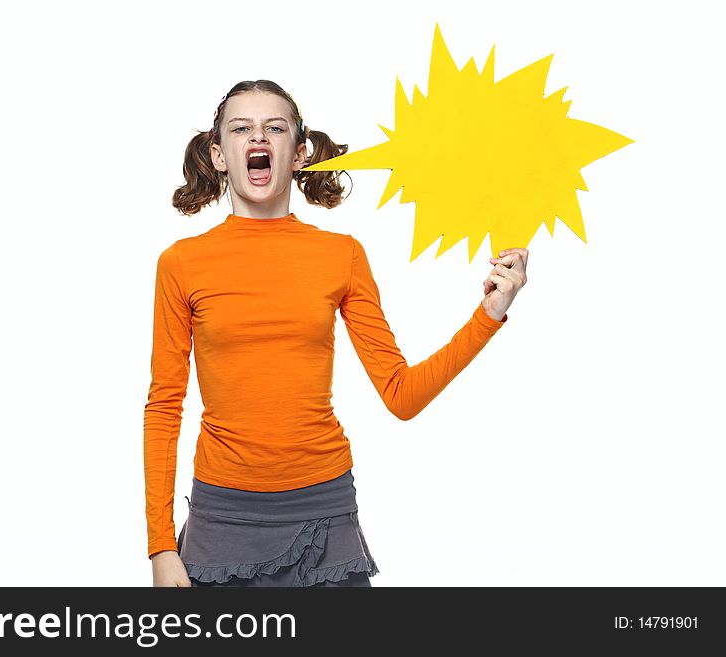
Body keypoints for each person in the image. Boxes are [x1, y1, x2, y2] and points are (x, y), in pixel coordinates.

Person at [145, 79, 528, 587]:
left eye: (275, 128)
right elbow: (164, 405)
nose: (258, 138)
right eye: (241, 128)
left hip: (323, 512)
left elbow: (402, 395)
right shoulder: (180, 263)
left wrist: (490, 313)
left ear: (299, 152)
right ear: (219, 154)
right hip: (224, 517)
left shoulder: (341, 255)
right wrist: (160, 546)